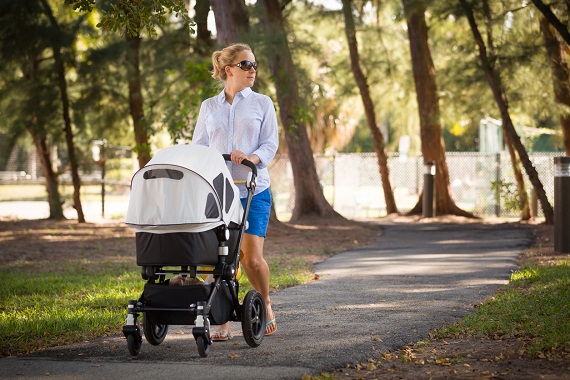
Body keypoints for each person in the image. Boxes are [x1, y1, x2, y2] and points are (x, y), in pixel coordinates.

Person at [192, 43, 279, 340]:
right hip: (218, 192)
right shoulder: (209, 107)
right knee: (218, 256)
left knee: (250, 258)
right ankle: (222, 319)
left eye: (254, 64)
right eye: (246, 65)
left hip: (253, 189)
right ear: (229, 70)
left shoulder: (262, 103)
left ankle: (264, 302)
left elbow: (269, 144)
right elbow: (199, 147)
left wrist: (251, 158)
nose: (252, 70)